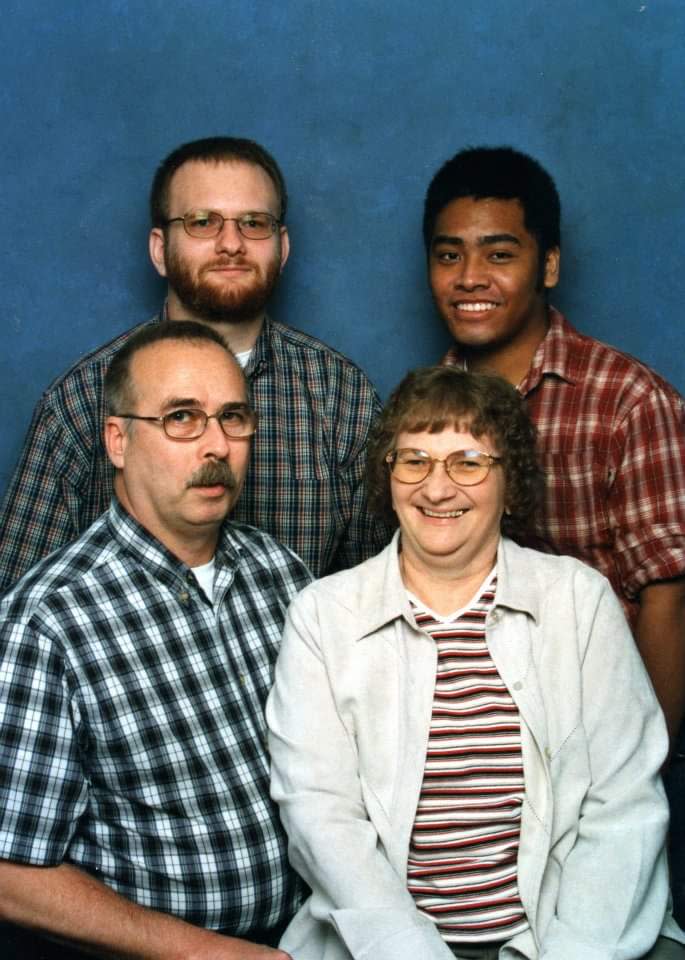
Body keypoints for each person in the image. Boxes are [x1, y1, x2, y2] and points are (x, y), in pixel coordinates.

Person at [267, 365, 684, 960]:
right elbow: (321, 818)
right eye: (414, 461)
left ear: (509, 483)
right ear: (387, 476)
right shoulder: (323, 616)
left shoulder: (577, 600)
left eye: (468, 463)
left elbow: (624, 807)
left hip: (564, 939)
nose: (437, 489)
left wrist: (575, 954)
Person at [0, 321, 312, 959]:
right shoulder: (51, 621)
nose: (216, 446)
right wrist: (202, 952)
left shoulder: (282, 576)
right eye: (181, 419)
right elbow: (9, 873)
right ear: (118, 440)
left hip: (315, 939)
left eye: (233, 417)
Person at [0, 136, 388, 591]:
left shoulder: (340, 394)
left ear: (281, 248)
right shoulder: (84, 400)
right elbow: (18, 607)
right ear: (160, 249)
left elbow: (375, 591)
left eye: (253, 223)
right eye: (202, 222)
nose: (231, 244)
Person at [422, 146, 685, 744]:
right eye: (448, 255)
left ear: (549, 266)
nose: (469, 278)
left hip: (595, 730)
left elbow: (669, 600)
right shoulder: (422, 413)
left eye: (500, 254)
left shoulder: (628, 402)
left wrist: (639, 767)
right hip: (466, 743)